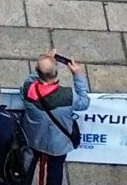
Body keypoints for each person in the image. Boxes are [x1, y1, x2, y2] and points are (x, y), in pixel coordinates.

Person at [21, 54, 87, 185]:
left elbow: (29, 80)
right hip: (58, 145)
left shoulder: (28, 89)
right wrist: (78, 75)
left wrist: (42, 65)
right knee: (55, 172)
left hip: (33, 139)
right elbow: (84, 102)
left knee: (26, 170)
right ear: (56, 72)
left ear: (38, 72)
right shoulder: (69, 96)